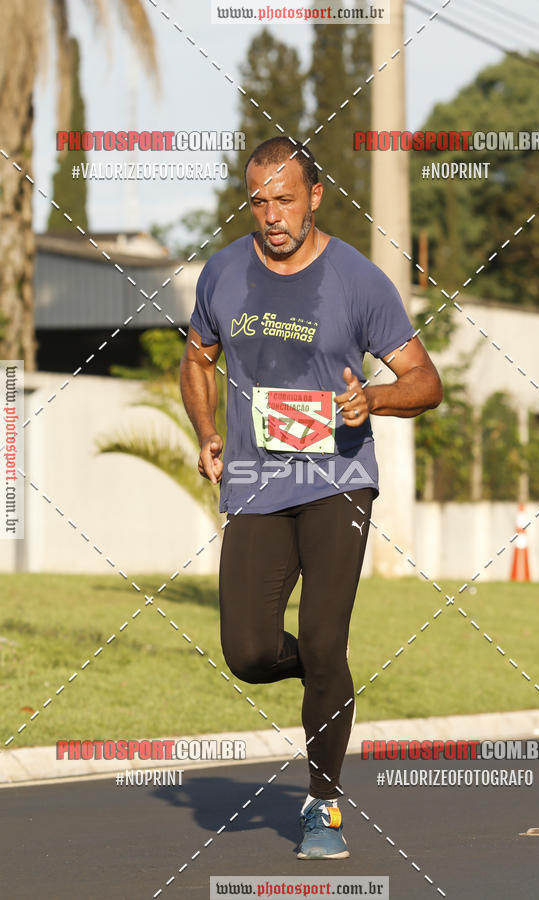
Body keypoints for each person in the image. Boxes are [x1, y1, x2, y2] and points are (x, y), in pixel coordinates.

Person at [180, 136, 442, 859]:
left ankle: (322, 806)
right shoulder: (224, 273)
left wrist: (374, 399)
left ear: (316, 197)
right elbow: (196, 360)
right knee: (248, 652)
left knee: (324, 637)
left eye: (286, 199)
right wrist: (207, 432)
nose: (272, 215)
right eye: (259, 201)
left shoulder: (357, 281)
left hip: (338, 481)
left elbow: (426, 381)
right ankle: (329, 676)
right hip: (256, 482)